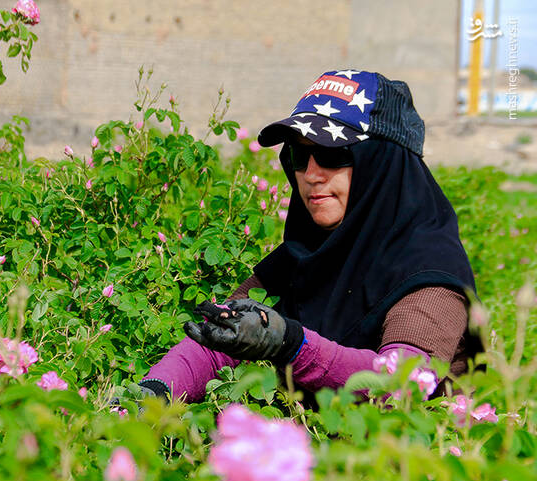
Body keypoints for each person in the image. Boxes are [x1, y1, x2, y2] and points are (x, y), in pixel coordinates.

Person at [137, 69, 482, 403]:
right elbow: (217, 341)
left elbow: (400, 384)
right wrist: (152, 394)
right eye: (300, 155)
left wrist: (292, 345)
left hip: (400, 458)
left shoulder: (429, 275)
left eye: (333, 154)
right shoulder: (302, 255)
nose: (311, 174)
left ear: (381, 166)